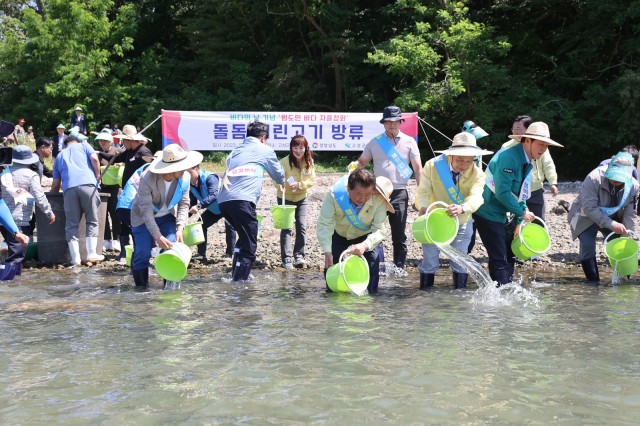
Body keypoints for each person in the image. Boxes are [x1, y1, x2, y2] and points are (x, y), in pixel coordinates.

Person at [473, 122, 563, 286]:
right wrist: (521, 213)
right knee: (499, 257)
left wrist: (519, 222)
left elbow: (521, 194)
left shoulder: (528, 159)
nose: (543, 149)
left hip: (507, 213)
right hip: (488, 211)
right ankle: (500, 297)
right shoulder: (508, 157)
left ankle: (506, 292)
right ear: (527, 140)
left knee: (510, 254)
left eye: (546, 145)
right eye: (540, 144)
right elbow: (503, 193)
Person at [415, 132, 492, 289]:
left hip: (462, 221)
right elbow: (422, 192)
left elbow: (477, 197)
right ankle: (425, 295)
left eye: (468, 161)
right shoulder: (432, 165)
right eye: (459, 159)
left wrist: (463, 207)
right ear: (451, 155)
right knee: (429, 260)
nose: (463, 164)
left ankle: (460, 297)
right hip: (433, 221)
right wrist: (423, 207)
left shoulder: (478, 174)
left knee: (460, 261)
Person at [218, 121, 285, 282]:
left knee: (243, 236)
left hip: (223, 201)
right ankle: (240, 284)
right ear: (263, 138)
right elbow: (278, 175)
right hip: (242, 201)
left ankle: (237, 274)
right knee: (249, 243)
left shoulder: (235, 150)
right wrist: (282, 181)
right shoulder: (264, 149)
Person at [357, 105, 422, 270]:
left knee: (399, 233)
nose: (392, 125)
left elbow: (418, 169)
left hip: (400, 192)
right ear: (383, 123)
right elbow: (362, 162)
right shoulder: (375, 142)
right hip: (377, 192)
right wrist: (352, 176)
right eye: (388, 122)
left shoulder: (409, 142)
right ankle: (376, 266)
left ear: (401, 122)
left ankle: (400, 268)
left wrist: (421, 194)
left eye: (395, 121)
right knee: (374, 230)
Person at [130, 144, 202, 288]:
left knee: (171, 249)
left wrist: (180, 227)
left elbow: (184, 204)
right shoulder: (148, 178)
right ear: (171, 168)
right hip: (142, 217)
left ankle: (168, 291)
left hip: (167, 216)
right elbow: (145, 210)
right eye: (181, 167)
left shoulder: (185, 177)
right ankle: (141, 292)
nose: (185, 169)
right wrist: (157, 236)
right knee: (142, 253)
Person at [317, 169, 393, 294]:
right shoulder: (334, 195)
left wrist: (365, 245)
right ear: (349, 189)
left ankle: (370, 303)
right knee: (333, 271)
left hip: (366, 237)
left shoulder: (379, 199)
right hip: (340, 234)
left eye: (367, 194)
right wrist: (327, 250)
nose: (363, 199)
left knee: (372, 268)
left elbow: (379, 229)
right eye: (359, 194)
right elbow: (324, 223)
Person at [568, 152, 639, 282]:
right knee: (587, 246)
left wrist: (626, 235)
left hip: (613, 217)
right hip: (584, 216)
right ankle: (593, 284)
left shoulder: (634, 186)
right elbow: (589, 208)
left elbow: (630, 213)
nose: (616, 180)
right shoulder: (594, 178)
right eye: (613, 176)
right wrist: (611, 224)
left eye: (620, 178)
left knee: (622, 246)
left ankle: (624, 282)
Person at [100, 124, 154, 262]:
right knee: (124, 220)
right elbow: (116, 158)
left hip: (138, 193)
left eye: (124, 140)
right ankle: (124, 251)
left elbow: (152, 166)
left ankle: (144, 248)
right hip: (126, 191)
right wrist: (99, 154)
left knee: (135, 220)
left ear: (132, 140)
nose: (123, 143)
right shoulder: (129, 151)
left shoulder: (143, 152)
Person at [50, 135, 103, 265]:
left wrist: (51, 199)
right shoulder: (84, 145)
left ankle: (75, 259)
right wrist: (97, 175)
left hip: (69, 189)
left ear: (65, 144)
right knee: (92, 220)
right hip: (88, 185)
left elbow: (56, 183)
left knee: (71, 224)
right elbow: (95, 158)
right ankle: (91, 253)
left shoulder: (59, 156)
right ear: (77, 142)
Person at [0, 145, 55, 271]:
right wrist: (49, 212)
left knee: (13, 249)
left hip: (3, 220)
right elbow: (39, 196)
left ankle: (13, 276)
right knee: (16, 255)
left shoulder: (4, 173)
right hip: (20, 220)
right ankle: (11, 284)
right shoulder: (31, 175)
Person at [502, 115, 558, 224]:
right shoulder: (507, 147)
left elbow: (548, 165)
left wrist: (553, 182)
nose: (516, 131)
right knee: (513, 224)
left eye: (519, 128)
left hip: (535, 190)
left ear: (527, 130)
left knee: (538, 221)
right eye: (514, 128)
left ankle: (536, 239)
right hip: (514, 191)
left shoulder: (541, 146)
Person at [276, 134, 316, 269]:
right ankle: (286, 258)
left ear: (305, 148)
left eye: (301, 147)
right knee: (286, 228)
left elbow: (312, 180)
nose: (298, 151)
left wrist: (300, 184)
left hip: (301, 198)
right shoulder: (283, 162)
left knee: (301, 226)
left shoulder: (309, 161)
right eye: (295, 147)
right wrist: (280, 185)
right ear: (291, 148)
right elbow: (277, 179)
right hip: (285, 198)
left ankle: (299, 256)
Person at [187, 164, 236, 262]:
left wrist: (199, 206)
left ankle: (230, 254)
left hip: (227, 204)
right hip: (213, 209)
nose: (187, 175)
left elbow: (214, 195)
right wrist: (183, 218)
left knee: (229, 225)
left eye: (189, 173)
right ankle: (201, 255)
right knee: (201, 225)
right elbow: (192, 203)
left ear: (196, 169)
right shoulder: (190, 184)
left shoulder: (210, 177)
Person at [96, 129, 121, 253]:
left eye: (105, 141)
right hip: (102, 187)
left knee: (115, 213)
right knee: (103, 214)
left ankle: (116, 239)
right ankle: (106, 239)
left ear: (110, 141)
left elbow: (122, 164)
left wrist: (118, 165)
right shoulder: (98, 154)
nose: (102, 143)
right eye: (100, 141)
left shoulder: (116, 152)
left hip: (115, 187)